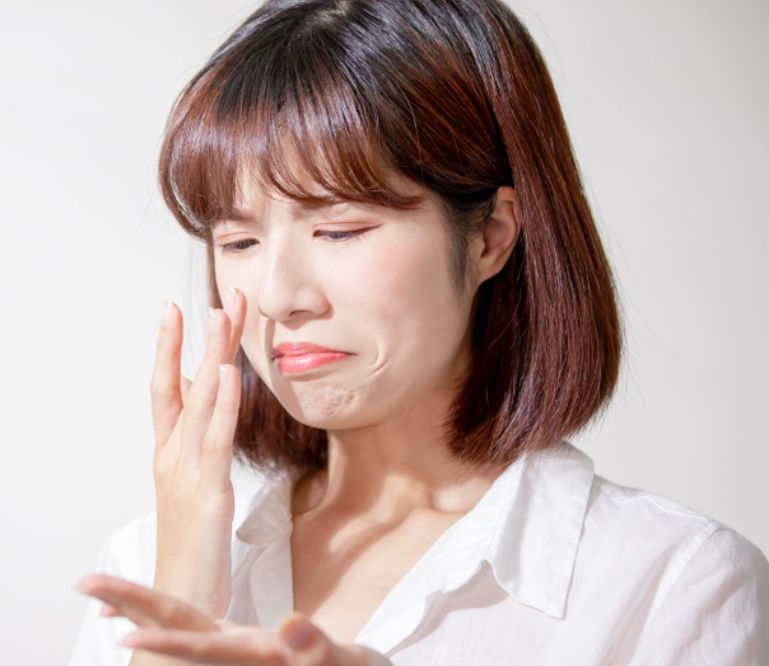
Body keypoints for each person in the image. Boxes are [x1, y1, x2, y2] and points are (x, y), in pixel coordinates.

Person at [70, 0, 769, 664]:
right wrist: (178, 616)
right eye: (237, 241)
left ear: (491, 236)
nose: (279, 297)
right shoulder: (147, 565)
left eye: (339, 229)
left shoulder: (666, 584)